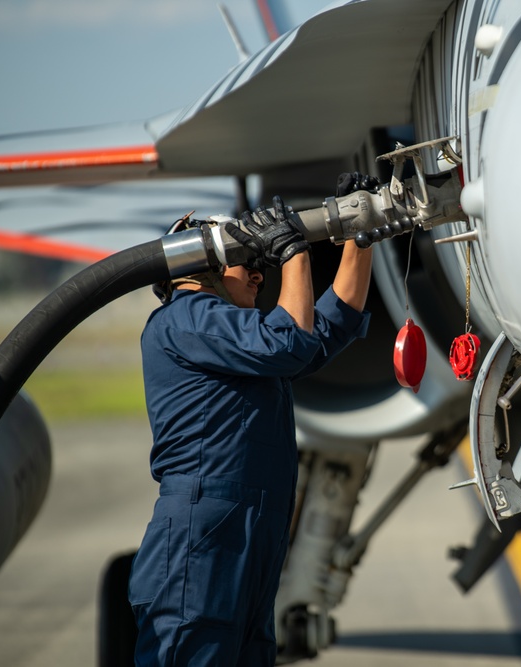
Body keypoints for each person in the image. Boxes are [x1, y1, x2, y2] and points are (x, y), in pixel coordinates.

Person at [128, 192, 373, 666]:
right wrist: (294, 251)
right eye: (247, 262)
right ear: (202, 268)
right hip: (203, 541)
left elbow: (327, 329)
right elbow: (290, 342)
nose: (260, 273)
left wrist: (359, 240)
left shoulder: (237, 339)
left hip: (246, 535)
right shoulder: (185, 319)